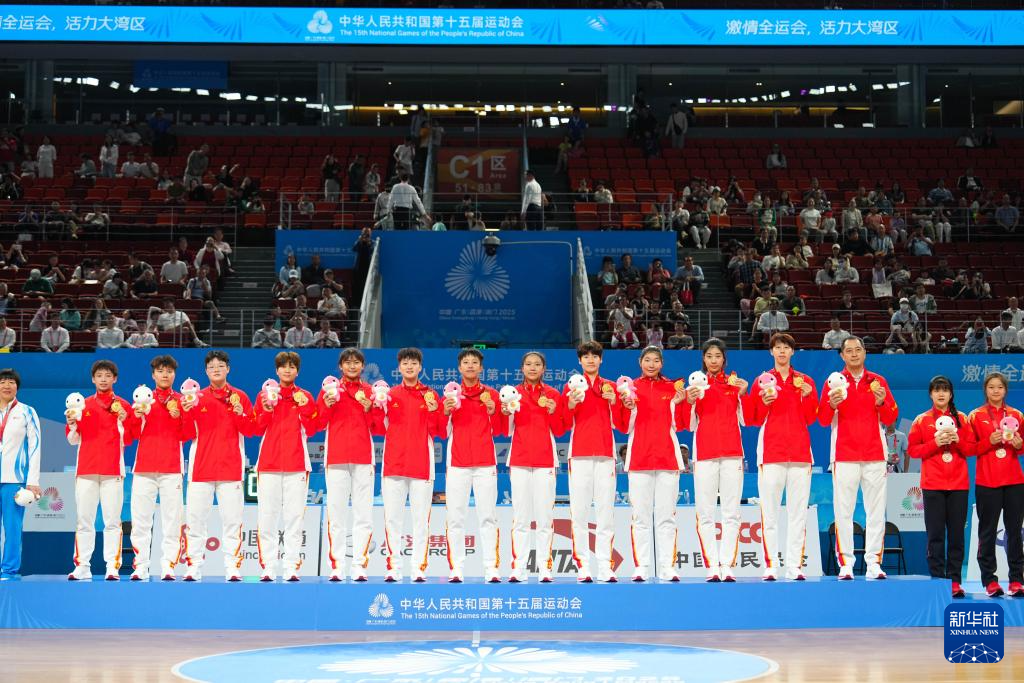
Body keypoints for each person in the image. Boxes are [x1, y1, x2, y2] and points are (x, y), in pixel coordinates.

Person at [818, 336, 898, 580]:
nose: (854, 354)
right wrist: (831, 405)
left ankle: (874, 562)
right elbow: (822, 420)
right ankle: (846, 563)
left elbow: (891, 418)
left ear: (865, 353)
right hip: (844, 455)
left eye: (858, 350)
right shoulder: (833, 382)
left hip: (875, 455)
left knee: (876, 512)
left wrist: (881, 402)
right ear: (842, 355)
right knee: (843, 512)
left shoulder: (878, 381)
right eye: (849, 351)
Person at [180, 351, 257, 582]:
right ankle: (193, 566)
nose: (216, 369)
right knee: (195, 522)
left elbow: (251, 430)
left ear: (228, 369)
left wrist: (240, 413)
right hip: (200, 470)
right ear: (206, 371)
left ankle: (232, 566)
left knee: (233, 522)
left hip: (231, 469)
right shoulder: (195, 397)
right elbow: (185, 434)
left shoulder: (240, 397)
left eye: (220, 365)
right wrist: (186, 412)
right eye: (212, 366)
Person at [747, 334, 818, 581]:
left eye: (786, 347)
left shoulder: (805, 381)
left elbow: (811, 418)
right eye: (777, 347)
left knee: (798, 514)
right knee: (770, 513)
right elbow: (753, 418)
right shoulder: (762, 381)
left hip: (800, 454)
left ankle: (794, 566)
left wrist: (808, 396)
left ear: (792, 352)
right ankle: (771, 565)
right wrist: (763, 402)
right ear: (771, 352)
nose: (782, 351)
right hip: (771, 453)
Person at [679, 338, 750, 582]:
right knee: (705, 513)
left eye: (718, 356)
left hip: (732, 453)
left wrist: (743, 393)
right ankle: (711, 565)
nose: (713, 360)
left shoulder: (734, 384)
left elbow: (747, 419)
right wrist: (689, 401)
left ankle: (727, 564)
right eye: (709, 356)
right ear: (703, 359)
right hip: (705, 454)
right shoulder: (696, 386)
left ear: (724, 359)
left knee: (732, 513)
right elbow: (686, 424)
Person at [614, 346, 686, 582]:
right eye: (647, 360)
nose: (651, 364)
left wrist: (681, 403)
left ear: (662, 363)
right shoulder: (629, 388)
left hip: (668, 458)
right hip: (639, 458)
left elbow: (682, 424)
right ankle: (642, 566)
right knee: (640, 517)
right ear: (640, 362)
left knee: (667, 517)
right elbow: (623, 426)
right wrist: (627, 407)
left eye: (656, 360)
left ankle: (667, 567)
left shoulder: (673, 388)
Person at [66, 360, 139, 581]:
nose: (104, 379)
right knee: (84, 521)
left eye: (108, 375)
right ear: (93, 379)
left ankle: (112, 567)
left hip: (113, 471)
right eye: (99, 375)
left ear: (115, 379)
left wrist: (125, 421)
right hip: (86, 470)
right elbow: (72, 440)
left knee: (113, 522)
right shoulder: (82, 405)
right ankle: (82, 566)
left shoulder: (124, 406)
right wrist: (72, 423)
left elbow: (130, 439)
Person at [379, 348, 445, 583]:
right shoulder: (389, 395)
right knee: (392, 520)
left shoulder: (431, 395)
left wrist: (435, 411)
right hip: (394, 465)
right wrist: (375, 406)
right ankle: (394, 567)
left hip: (421, 465)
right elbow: (378, 427)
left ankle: (418, 567)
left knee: (420, 521)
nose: (409, 367)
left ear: (420, 367)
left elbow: (440, 431)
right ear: (399, 367)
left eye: (414, 363)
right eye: (405, 363)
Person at [314, 349, 380, 582]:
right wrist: (327, 405)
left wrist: (369, 408)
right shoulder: (329, 390)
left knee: (364, 514)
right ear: (340, 366)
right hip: (336, 457)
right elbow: (318, 424)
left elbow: (378, 428)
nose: (352, 366)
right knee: (336, 513)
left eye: (356, 362)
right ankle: (337, 565)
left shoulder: (371, 392)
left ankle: (360, 565)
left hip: (363, 458)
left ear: (363, 366)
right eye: (348, 362)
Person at [907, 375, 976, 599]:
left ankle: (955, 580)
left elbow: (972, 449)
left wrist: (957, 441)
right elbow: (913, 451)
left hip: (958, 485)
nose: (941, 394)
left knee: (956, 536)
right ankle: (937, 580)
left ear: (951, 394)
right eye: (937, 390)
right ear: (930, 394)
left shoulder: (962, 418)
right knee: (935, 535)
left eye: (945, 390)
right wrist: (934, 443)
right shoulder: (921, 420)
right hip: (933, 485)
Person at [252, 352, 317, 582]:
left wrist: (305, 408)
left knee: (294, 520)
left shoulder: (305, 396)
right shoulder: (264, 395)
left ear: (297, 371)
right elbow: (256, 428)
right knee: (267, 518)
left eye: (292, 367)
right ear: (276, 370)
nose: (287, 370)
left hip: (297, 465)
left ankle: (291, 567)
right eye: (283, 367)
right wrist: (266, 409)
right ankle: (268, 567)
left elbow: (313, 428)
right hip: (268, 464)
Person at [443, 348, 505, 583]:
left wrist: (493, 410)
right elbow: (441, 431)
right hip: (457, 463)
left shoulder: (492, 394)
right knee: (455, 518)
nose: (470, 365)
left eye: (474, 362)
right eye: (466, 362)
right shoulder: (450, 394)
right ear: (459, 368)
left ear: (481, 367)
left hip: (485, 463)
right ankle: (456, 568)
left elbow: (501, 429)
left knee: (488, 517)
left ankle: (491, 567)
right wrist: (445, 411)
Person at [558, 342, 618, 583]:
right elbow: (562, 422)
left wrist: (614, 402)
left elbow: (622, 424)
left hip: (605, 454)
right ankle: (582, 565)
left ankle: (605, 566)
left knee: (606, 513)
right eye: (586, 357)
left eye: (595, 356)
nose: (590, 360)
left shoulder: (611, 387)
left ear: (601, 360)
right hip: (579, 454)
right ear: (579, 361)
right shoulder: (571, 386)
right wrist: (571, 404)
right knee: (580, 512)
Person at [129, 356, 193, 582]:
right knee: (140, 521)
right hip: (143, 469)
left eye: (169, 371)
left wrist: (180, 417)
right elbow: (131, 435)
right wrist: (136, 417)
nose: (165, 375)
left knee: (172, 521)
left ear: (174, 375)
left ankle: (168, 566)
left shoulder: (182, 401)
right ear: (153, 375)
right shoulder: (143, 399)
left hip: (172, 469)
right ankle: (141, 566)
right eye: (160, 371)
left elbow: (188, 435)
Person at [504, 351, 565, 583]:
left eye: (537, 364)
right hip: (519, 459)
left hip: (545, 460)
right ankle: (518, 568)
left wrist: (553, 411)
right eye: (528, 364)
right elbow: (504, 429)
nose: (532, 368)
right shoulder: (512, 394)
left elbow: (559, 430)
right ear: (522, 368)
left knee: (544, 518)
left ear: (543, 369)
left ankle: (545, 568)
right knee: (520, 518)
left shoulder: (553, 394)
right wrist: (505, 412)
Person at [967, 372, 1024, 598]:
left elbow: (1022, 447)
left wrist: (1019, 445)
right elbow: (969, 448)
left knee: (1015, 532)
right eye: (991, 387)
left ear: (1005, 390)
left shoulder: (1017, 415)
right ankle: (990, 581)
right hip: (987, 481)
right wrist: (987, 442)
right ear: (985, 390)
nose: (996, 390)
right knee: (987, 532)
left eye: (1000, 387)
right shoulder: (975, 416)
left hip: (1014, 481)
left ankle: (1017, 580)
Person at [0, 369, 41, 580]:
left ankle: (8, 570)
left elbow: (35, 446)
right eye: (2, 382)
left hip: (13, 480)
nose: (7, 385)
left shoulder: (27, 411)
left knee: (12, 528)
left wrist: (32, 481)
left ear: (17, 387)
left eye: (11, 382)